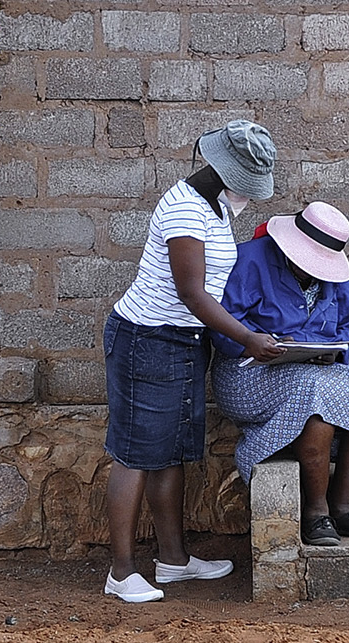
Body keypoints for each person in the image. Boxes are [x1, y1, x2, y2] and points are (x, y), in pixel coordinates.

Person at [102, 119, 286, 603]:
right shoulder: (186, 208)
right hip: (148, 338)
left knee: (173, 454)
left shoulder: (214, 207)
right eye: (245, 183)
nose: (248, 195)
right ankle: (121, 572)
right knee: (135, 454)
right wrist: (248, 338)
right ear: (224, 171)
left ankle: (174, 561)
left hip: (184, 342)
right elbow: (191, 293)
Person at [211, 201, 349, 547]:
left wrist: (328, 351)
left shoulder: (337, 278)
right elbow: (221, 327)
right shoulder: (250, 260)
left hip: (314, 371)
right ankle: (316, 512)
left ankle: (344, 508)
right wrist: (253, 342)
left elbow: (347, 328)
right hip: (247, 375)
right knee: (315, 392)